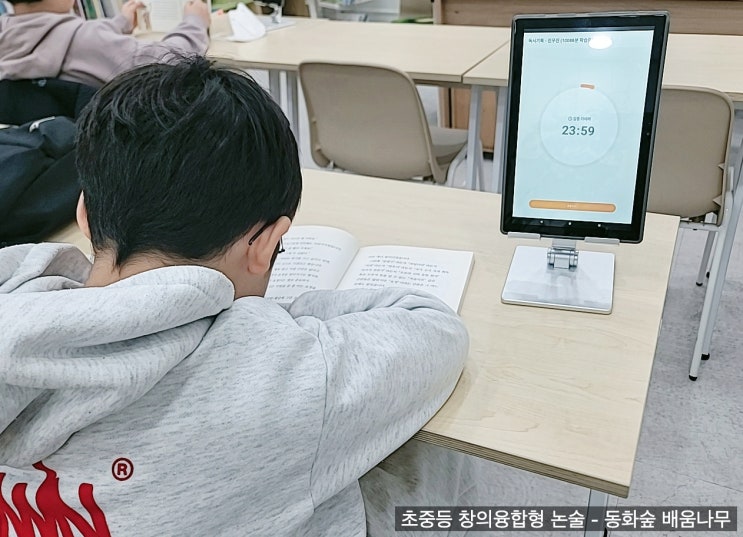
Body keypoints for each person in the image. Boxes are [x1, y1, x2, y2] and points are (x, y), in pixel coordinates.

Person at [0, 57, 470, 535]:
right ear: (265, 245)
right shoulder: (285, 375)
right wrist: (261, 317)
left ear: (84, 213)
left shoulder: (16, 303)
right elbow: (434, 329)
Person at [0, 0, 209, 87]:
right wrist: (195, 21)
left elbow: (61, 33)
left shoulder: (6, 31)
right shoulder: (86, 41)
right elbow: (172, 62)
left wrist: (121, 22)